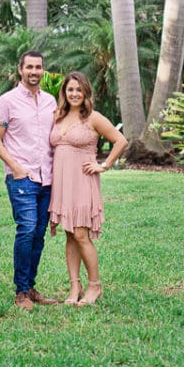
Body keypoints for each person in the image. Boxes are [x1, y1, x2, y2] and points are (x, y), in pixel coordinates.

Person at [48, 71, 128, 306]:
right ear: (64, 92)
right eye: (70, 89)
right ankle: (75, 286)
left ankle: (95, 286)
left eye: (78, 90)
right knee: (69, 234)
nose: (74, 94)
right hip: (61, 184)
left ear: (85, 93)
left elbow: (120, 140)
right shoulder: (57, 116)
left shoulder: (93, 117)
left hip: (82, 182)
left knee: (81, 234)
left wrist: (103, 165)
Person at [0, 50, 58, 310]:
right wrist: (15, 168)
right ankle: (20, 292)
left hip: (47, 178)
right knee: (27, 229)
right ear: (20, 70)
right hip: (22, 178)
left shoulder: (51, 101)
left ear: (43, 70)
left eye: (38, 67)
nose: (34, 72)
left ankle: (30, 287)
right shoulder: (6, 101)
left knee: (39, 234)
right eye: (29, 67)